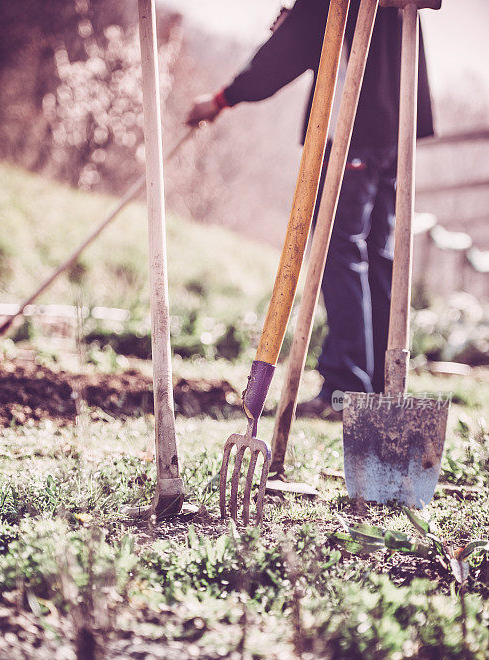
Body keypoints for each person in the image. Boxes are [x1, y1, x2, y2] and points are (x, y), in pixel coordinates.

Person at [186, 0, 435, 420]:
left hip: (353, 127)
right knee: (376, 257)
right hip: (396, 127)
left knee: (340, 253)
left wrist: (223, 98)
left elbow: (287, 50)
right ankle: (373, 389)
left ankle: (347, 387)